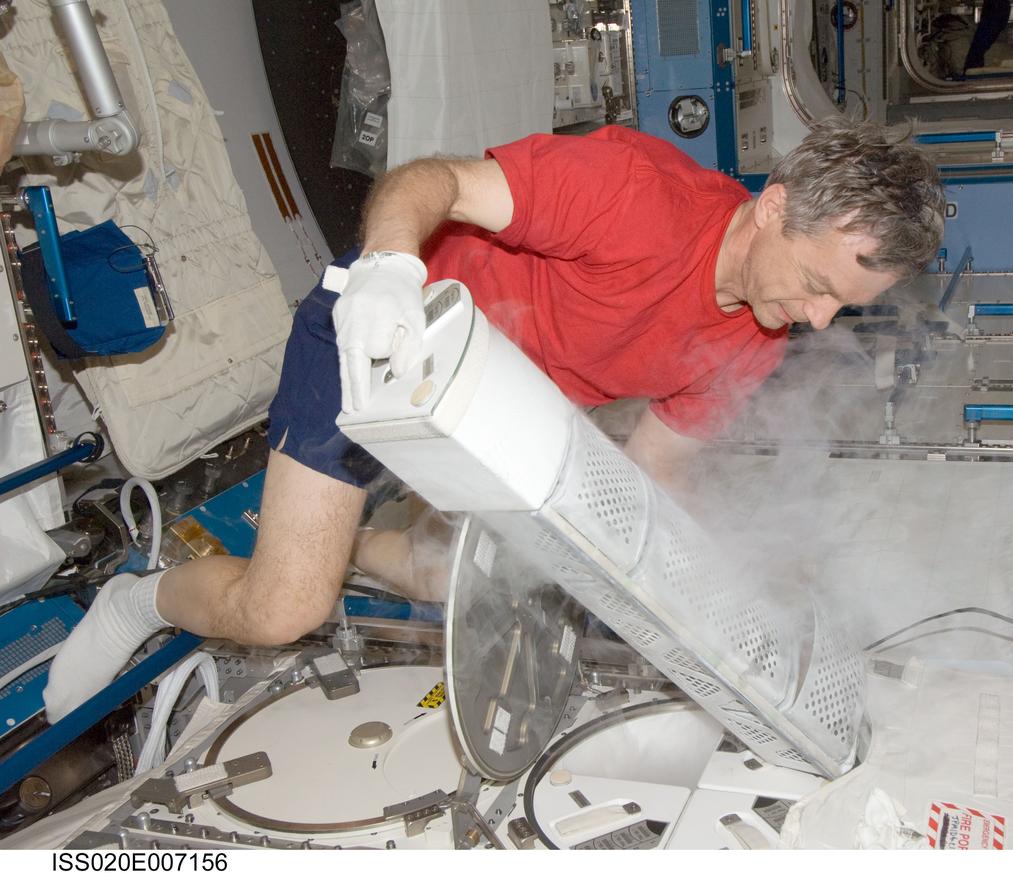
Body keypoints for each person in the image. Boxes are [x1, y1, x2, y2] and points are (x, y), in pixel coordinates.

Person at [42, 117, 945, 722]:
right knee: (284, 609)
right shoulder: (635, 193)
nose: (821, 321)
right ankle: (137, 602)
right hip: (386, 341)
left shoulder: (755, 337)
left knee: (448, 579)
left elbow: (655, 478)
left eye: (842, 308)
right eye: (822, 287)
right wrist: (390, 272)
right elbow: (429, 183)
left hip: (490, 409)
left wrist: (724, 601)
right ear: (775, 208)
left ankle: (336, 533)